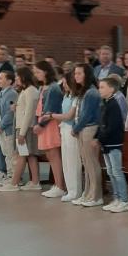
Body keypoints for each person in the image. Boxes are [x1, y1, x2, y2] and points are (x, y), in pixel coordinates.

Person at [0, 67, 41, 192]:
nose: (16, 78)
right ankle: (35, 182)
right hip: (24, 127)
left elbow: (29, 113)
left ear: (24, 76)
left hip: (26, 128)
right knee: (30, 155)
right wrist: (16, 107)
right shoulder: (26, 90)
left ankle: (14, 183)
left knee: (21, 155)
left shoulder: (30, 91)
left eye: (18, 76)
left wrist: (22, 133)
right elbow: (24, 109)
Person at [96, 77, 128, 212]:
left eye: (102, 87)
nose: (99, 89)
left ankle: (124, 200)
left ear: (111, 89)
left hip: (114, 143)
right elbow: (101, 123)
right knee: (110, 171)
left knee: (117, 171)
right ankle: (116, 198)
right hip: (106, 143)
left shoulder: (113, 105)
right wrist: (97, 136)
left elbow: (113, 126)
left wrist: (99, 139)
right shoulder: (106, 103)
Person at [71, 64, 103, 207]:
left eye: (79, 73)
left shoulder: (92, 92)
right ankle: (87, 194)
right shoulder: (83, 91)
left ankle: (96, 196)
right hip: (82, 129)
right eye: (75, 73)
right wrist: (76, 126)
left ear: (87, 75)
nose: (76, 76)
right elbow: (79, 112)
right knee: (86, 163)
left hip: (89, 128)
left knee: (92, 163)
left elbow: (87, 114)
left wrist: (76, 128)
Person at [33, 61, 66, 198]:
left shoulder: (53, 88)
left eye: (38, 72)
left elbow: (51, 110)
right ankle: (57, 184)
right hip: (43, 122)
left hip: (50, 124)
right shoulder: (43, 87)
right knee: (49, 155)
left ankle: (60, 186)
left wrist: (41, 125)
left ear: (46, 72)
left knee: (54, 155)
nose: (36, 74)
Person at [53, 71, 82, 203]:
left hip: (71, 130)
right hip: (63, 128)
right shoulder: (66, 96)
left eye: (65, 83)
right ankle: (70, 190)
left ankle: (75, 191)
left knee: (72, 161)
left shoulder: (76, 97)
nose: (63, 85)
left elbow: (70, 115)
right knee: (65, 160)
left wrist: (52, 116)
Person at [0, 70, 18, 186]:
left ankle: (15, 178)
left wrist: (1, 127)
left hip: (8, 129)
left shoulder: (12, 93)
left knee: (11, 153)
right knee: (6, 153)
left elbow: (10, 113)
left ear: (9, 81)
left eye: (1, 78)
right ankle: (9, 175)